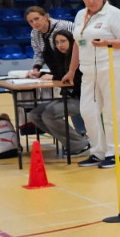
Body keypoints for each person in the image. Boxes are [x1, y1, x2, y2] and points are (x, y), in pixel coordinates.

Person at [65, 0, 120, 167]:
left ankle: (114, 152)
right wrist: (71, 70)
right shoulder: (81, 15)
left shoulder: (114, 14)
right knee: (88, 111)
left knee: (112, 112)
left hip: (111, 68)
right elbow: (77, 44)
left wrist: (107, 43)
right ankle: (97, 151)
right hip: (88, 70)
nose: (91, 1)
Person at [32, 28, 90, 158]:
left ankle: (81, 145)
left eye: (63, 41)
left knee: (49, 114)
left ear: (71, 42)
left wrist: (53, 77)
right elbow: (59, 74)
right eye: (57, 42)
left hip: (83, 99)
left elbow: (74, 79)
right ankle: (75, 141)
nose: (59, 45)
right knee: (34, 114)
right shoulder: (60, 57)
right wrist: (39, 74)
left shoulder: (80, 58)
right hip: (68, 97)